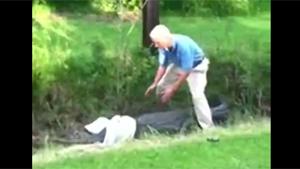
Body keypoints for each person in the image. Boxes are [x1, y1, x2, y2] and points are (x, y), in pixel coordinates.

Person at [144, 24, 214, 129]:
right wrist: (154, 84)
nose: (156, 46)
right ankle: (167, 114)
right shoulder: (163, 47)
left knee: (197, 96)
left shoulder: (183, 45)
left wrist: (172, 89)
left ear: (166, 38)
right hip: (179, 64)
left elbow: (187, 71)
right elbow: (162, 66)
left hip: (196, 67)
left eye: (157, 43)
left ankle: (208, 127)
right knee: (160, 88)